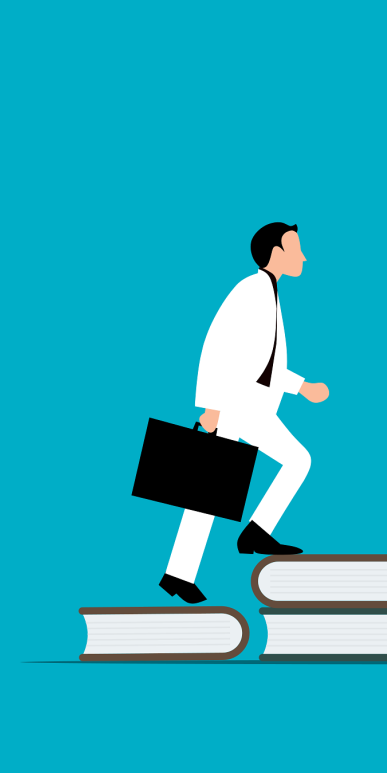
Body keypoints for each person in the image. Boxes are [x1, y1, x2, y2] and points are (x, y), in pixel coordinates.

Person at [159, 222, 329, 603]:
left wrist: (302, 387)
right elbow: (216, 345)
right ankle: (178, 574)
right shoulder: (250, 291)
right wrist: (211, 406)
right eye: (295, 248)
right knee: (206, 491)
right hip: (233, 405)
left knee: (299, 460)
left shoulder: (269, 292)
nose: (302, 256)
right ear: (275, 252)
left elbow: (265, 363)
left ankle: (256, 531)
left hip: (255, 407)